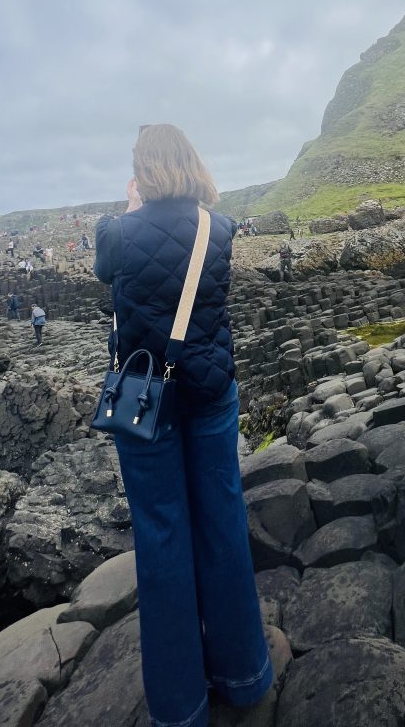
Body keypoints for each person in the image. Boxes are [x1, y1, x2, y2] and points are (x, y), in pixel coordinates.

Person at [93, 124, 272, 727]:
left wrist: (129, 210)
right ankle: (245, 677)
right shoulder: (218, 230)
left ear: (142, 171)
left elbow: (106, 277)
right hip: (212, 393)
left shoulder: (115, 233)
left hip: (146, 402)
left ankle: (180, 705)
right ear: (191, 164)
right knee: (222, 522)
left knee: (162, 539)